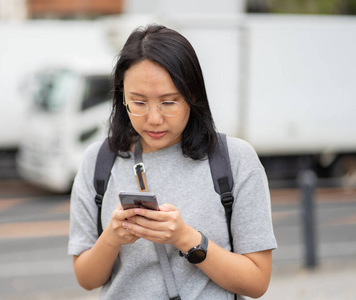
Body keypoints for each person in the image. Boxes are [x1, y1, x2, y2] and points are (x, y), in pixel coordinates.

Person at [68, 24, 277, 299]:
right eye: (138, 102)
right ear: (121, 97)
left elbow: (257, 280)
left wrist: (185, 238)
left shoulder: (234, 159)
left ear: (193, 97)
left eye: (169, 102)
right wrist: (113, 237)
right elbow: (86, 278)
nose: (154, 118)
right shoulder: (99, 161)